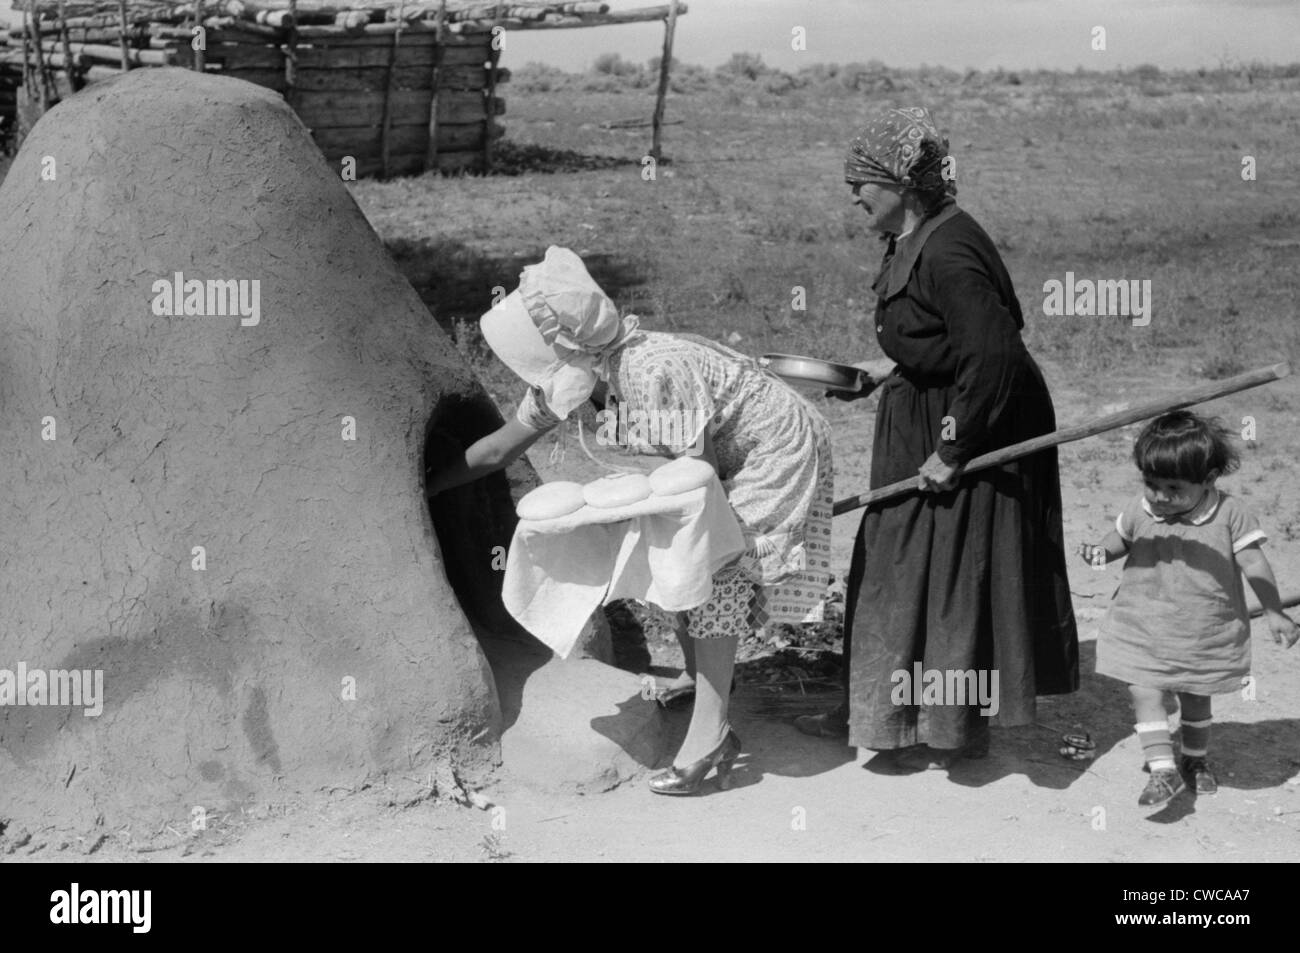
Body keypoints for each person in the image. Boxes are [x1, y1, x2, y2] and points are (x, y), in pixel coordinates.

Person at [427, 246, 835, 795]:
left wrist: (625, 505)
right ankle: (698, 675)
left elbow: (699, 480)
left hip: (770, 448)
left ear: (566, 343)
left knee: (712, 569)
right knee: (663, 553)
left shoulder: (649, 370)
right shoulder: (568, 383)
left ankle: (711, 732)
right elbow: (498, 449)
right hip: (702, 468)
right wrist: (424, 486)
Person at [796, 106, 1079, 770]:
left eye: (861, 182)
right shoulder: (913, 235)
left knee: (952, 569)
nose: (853, 196)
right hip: (929, 406)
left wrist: (952, 448)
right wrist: (883, 372)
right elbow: (940, 337)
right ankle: (884, 711)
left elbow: (995, 355)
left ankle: (943, 724)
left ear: (902, 182)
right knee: (897, 561)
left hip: (974, 421)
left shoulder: (950, 249)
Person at [1079, 411, 1297, 806]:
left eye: (1174, 488)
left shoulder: (1231, 514)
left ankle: (1194, 761)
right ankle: (1162, 771)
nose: (1160, 496)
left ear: (1209, 480)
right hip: (1142, 625)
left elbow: (1254, 563)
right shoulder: (1140, 509)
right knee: (1144, 689)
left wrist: (1275, 612)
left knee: (1196, 697)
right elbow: (1120, 540)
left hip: (1203, 630)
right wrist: (1097, 554)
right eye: (1151, 484)